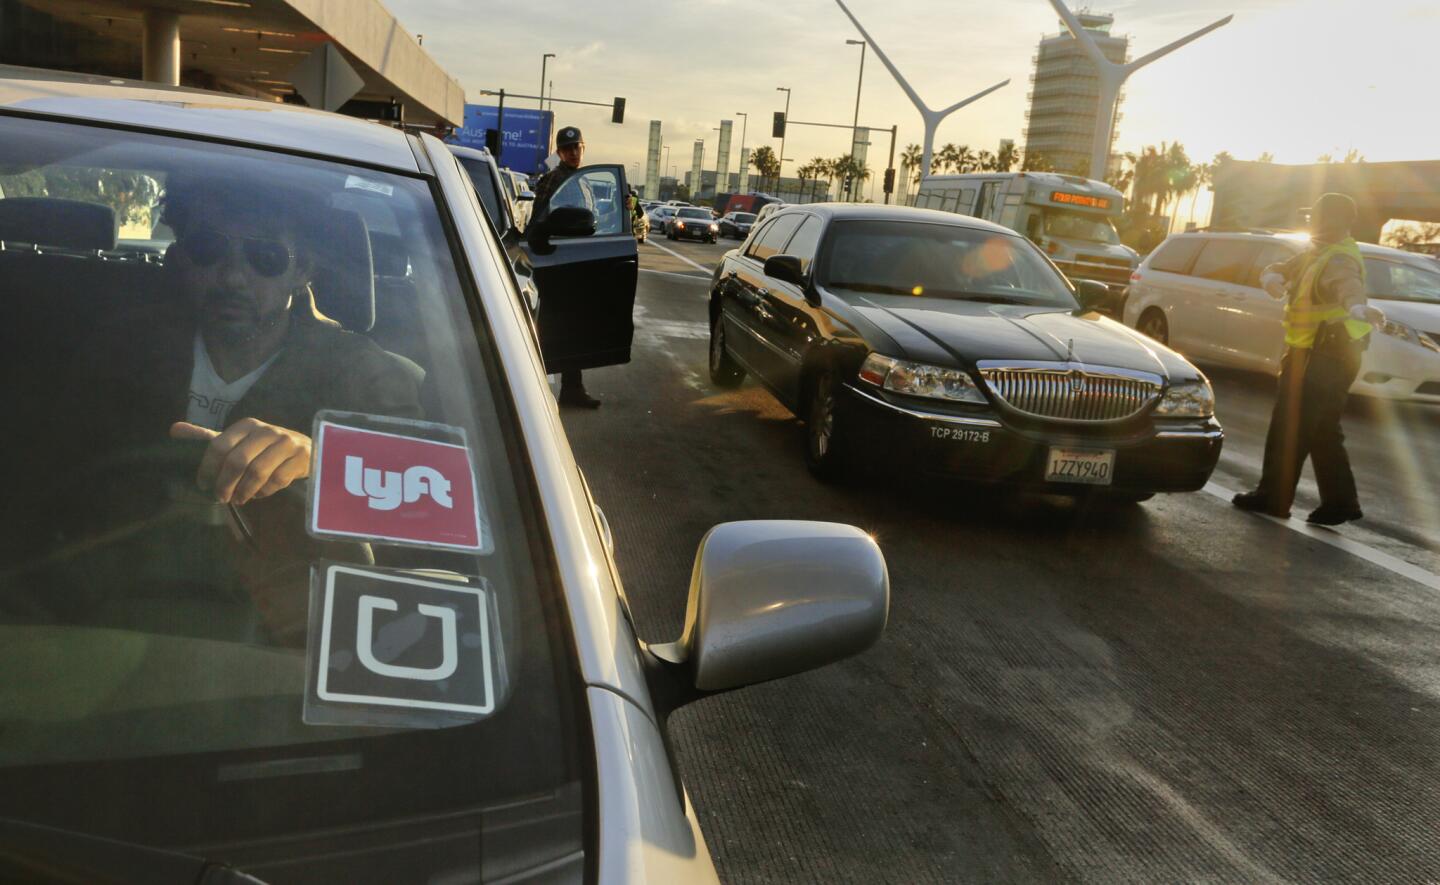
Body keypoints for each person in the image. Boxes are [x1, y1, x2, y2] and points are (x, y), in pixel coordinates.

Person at [1231, 193, 1385, 525]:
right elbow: (1281, 267)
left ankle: (1273, 497)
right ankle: (1340, 503)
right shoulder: (1317, 252)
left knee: (1291, 425)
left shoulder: (1338, 259)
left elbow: (1348, 286)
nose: (1310, 221)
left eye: (1316, 216)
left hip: (1323, 354)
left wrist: (1357, 307)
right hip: (1328, 352)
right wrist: (1271, 276)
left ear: (1334, 221)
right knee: (1322, 429)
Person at [528, 124, 602, 408]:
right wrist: (543, 244)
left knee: (573, 328)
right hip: (558, 263)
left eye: (577, 147)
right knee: (552, 328)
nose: (573, 152)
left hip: (577, 264)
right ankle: (533, 388)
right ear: (559, 152)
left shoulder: (582, 181)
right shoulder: (553, 179)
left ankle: (572, 388)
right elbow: (538, 221)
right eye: (567, 149)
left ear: (583, 148)